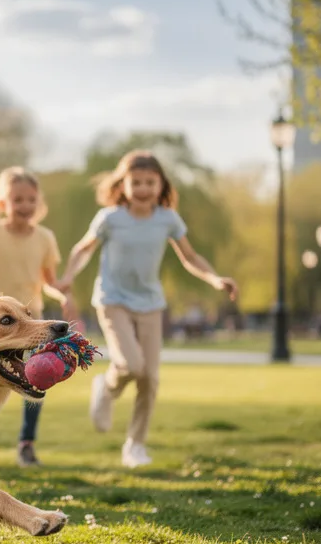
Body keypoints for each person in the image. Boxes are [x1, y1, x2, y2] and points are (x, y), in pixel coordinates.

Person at [57, 151, 238, 468]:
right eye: (136, 182)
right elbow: (82, 249)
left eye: (150, 182)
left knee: (150, 378)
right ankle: (107, 387)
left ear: (161, 185)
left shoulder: (167, 219)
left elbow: (190, 257)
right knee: (131, 365)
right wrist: (69, 277)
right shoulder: (110, 218)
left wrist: (214, 278)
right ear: (123, 185)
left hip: (151, 304)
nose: (143, 188)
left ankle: (135, 446)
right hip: (113, 300)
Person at [0, 167, 77, 468]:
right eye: (18, 199)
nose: (25, 205)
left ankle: (27, 445)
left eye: (31, 199)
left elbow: (48, 280)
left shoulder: (45, 237)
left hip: (32, 324)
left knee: (38, 378)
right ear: (2, 204)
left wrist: (62, 296)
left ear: (39, 202)